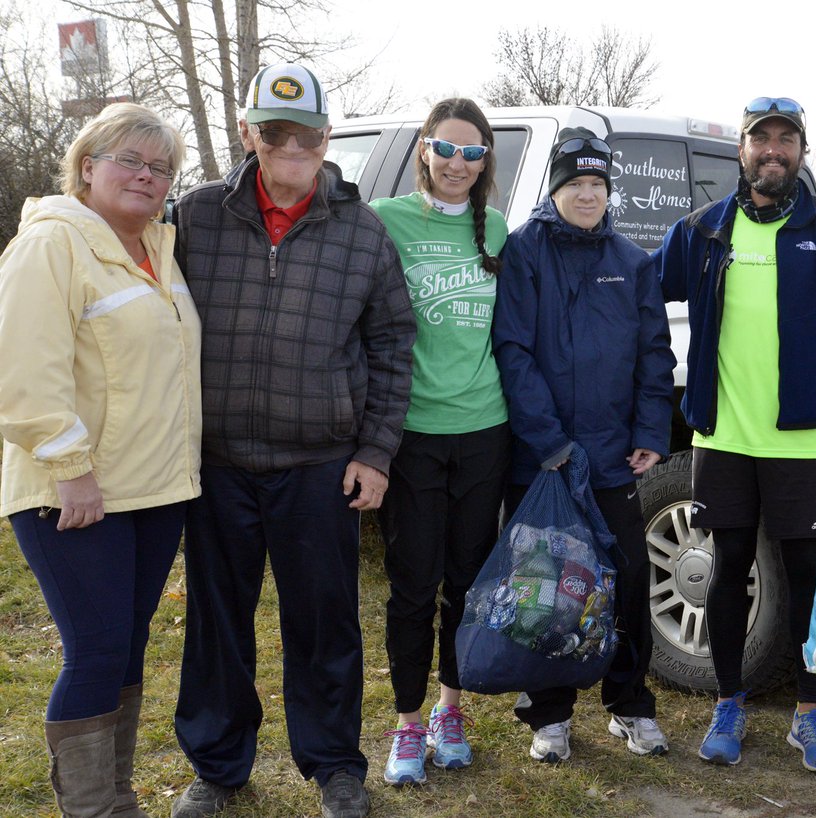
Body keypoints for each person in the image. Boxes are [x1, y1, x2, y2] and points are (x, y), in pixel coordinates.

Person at [169, 63, 415, 818]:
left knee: (325, 625)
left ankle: (335, 765)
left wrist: (375, 454)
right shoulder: (196, 216)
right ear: (249, 134)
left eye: (305, 134)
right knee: (216, 625)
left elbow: (393, 343)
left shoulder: (361, 229)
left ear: (325, 138)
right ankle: (218, 765)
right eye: (274, 133)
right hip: (216, 464)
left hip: (318, 465)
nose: (290, 147)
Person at [653, 97, 816, 771]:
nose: (773, 150)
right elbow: (640, 287)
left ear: (802, 152)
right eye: (760, 139)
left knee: (806, 576)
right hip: (724, 438)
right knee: (725, 571)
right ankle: (729, 703)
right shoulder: (704, 230)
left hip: (801, 440)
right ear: (741, 150)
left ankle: (809, 712)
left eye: (786, 140)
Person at [0, 102, 199, 817]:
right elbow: (22, 369)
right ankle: (96, 810)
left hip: (152, 489)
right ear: (88, 168)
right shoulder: (52, 245)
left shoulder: (159, 250)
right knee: (96, 647)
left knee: (127, 646)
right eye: (130, 162)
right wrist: (70, 467)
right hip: (75, 491)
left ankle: (117, 796)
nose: (147, 177)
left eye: (161, 168)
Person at [492, 127, 675, 763]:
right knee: (545, 585)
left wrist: (652, 434)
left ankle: (629, 704)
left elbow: (655, 355)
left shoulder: (631, 261)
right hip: (543, 461)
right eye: (576, 184)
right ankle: (549, 715)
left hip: (611, 458)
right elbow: (512, 350)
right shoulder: (525, 252)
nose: (588, 194)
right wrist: (550, 442)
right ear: (556, 188)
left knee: (625, 580)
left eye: (598, 184)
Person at [367, 98, 510, 786]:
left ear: (487, 160)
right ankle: (406, 724)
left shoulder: (500, 230)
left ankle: (451, 711)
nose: (458, 163)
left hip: (485, 432)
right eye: (445, 149)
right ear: (424, 149)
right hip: (413, 435)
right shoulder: (386, 222)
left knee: (468, 582)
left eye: (471, 152)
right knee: (412, 586)